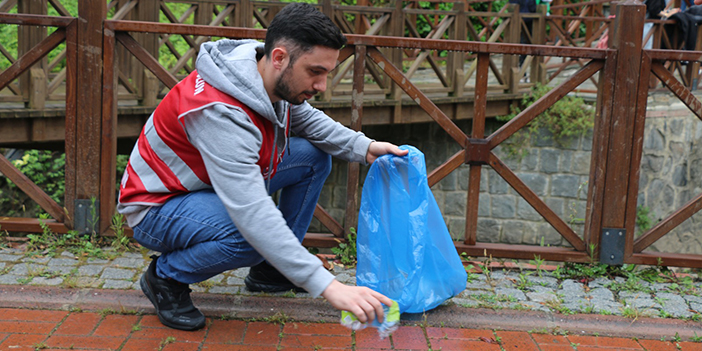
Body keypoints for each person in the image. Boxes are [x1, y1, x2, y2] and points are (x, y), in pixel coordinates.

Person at [117, 2, 408, 331]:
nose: (322, 86)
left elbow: (309, 122)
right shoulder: (219, 111)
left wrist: (365, 147)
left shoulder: (263, 71)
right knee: (250, 236)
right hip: (158, 204)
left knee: (312, 156)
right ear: (281, 57)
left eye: (327, 73)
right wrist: (329, 286)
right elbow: (252, 212)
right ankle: (165, 278)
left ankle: (274, 270)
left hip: (206, 187)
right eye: (315, 72)